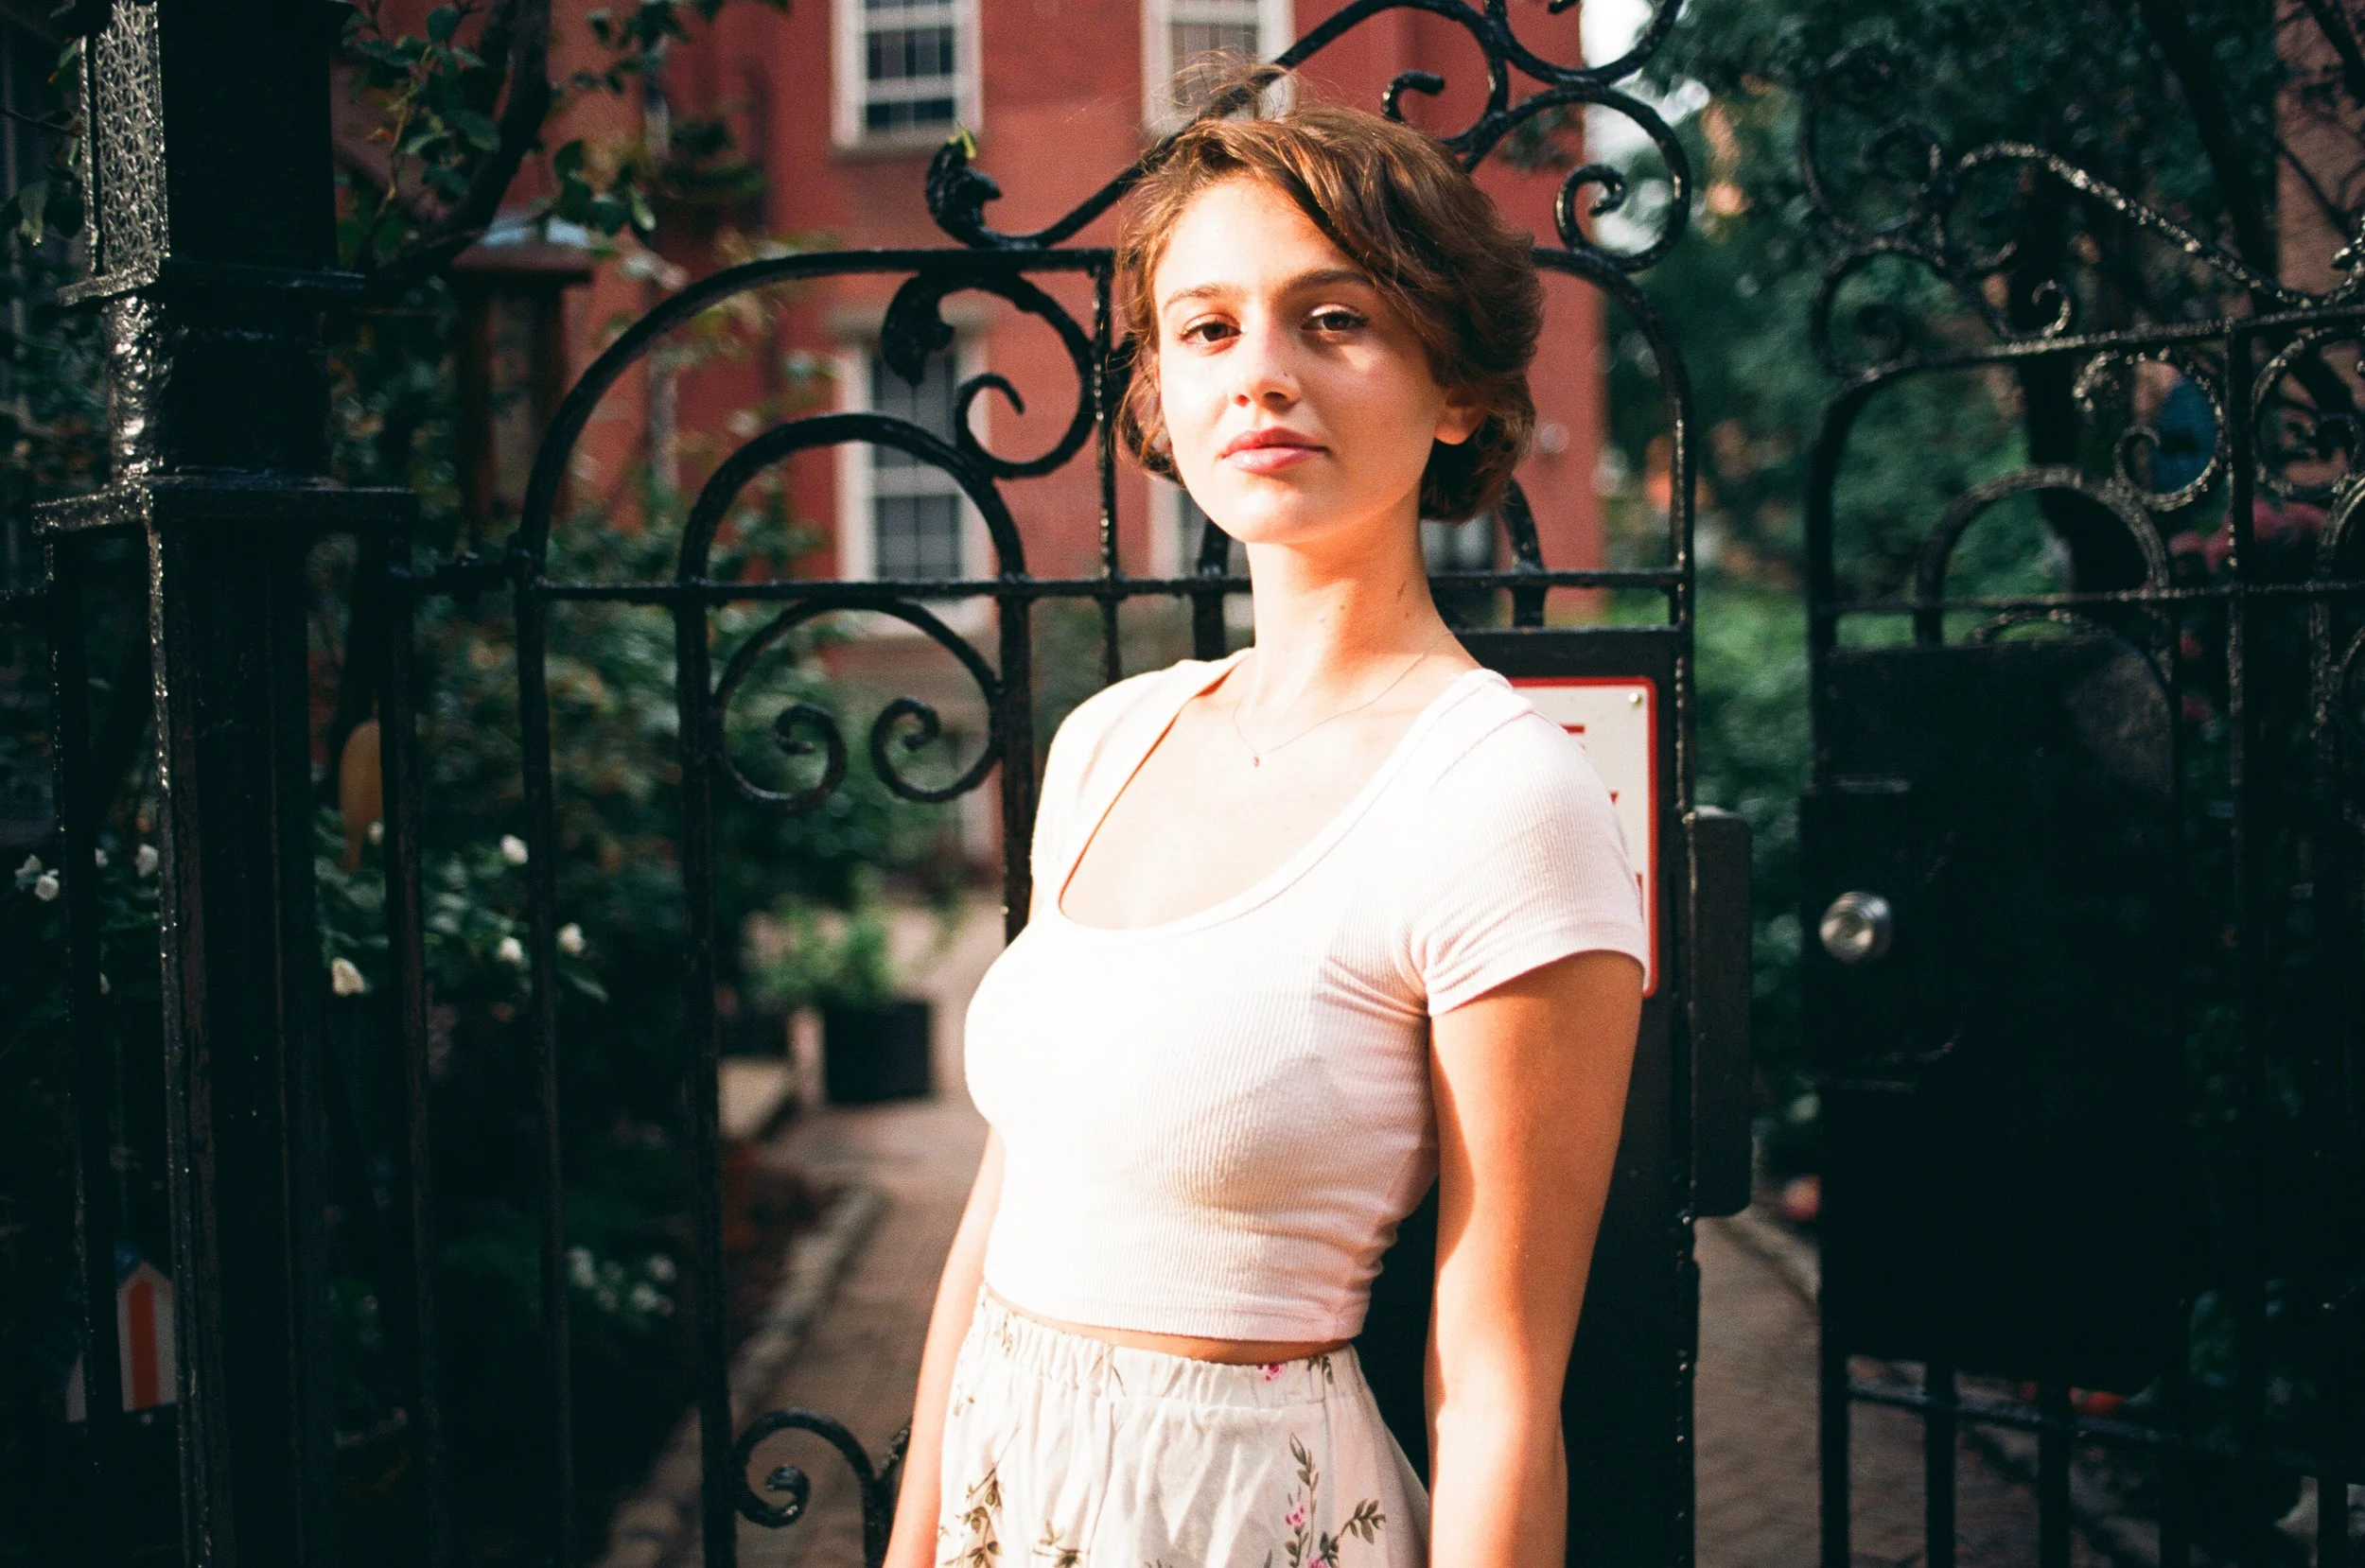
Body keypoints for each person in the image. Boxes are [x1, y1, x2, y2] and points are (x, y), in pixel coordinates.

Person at [881, 66, 1649, 1568]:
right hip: (1004, 1502)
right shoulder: (1110, 742)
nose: (1264, 373)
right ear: (1161, 392)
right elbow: (1002, 1210)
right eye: (1210, 326)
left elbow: (1496, 1386)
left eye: (1336, 318)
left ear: (1462, 396)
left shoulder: (1501, 796)